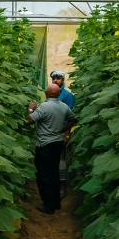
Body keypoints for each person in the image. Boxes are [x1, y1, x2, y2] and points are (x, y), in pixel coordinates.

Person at [27, 82, 76, 214]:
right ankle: (56, 203)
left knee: (43, 175)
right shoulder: (64, 107)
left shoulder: (44, 107)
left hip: (44, 145)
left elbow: (29, 120)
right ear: (59, 94)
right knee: (53, 173)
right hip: (57, 144)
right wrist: (62, 130)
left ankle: (48, 206)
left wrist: (31, 108)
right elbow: (73, 119)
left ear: (46, 94)